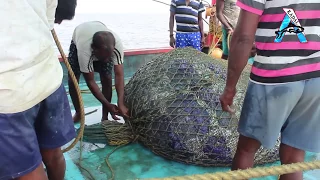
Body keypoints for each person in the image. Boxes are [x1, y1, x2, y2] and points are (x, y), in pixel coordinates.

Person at [219, 0, 320, 180]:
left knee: (246, 149)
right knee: (295, 157)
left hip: (274, 77)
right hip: (315, 78)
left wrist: (230, 88)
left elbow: (243, 37)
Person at [0, 0, 76, 179]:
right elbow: (49, 22)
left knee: (27, 171)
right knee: (54, 155)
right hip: (49, 79)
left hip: (9, 93)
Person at [68, 21, 129, 123]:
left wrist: (121, 102)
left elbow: (119, 74)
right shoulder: (84, 49)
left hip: (101, 41)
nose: (104, 61)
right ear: (94, 49)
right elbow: (90, 82)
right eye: (102, 57)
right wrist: (108, 104)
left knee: (107, 78)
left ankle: (105, 117)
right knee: (73, 79)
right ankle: (79, 113)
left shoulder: (117, 45)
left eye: (108, 57)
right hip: (80, 37)